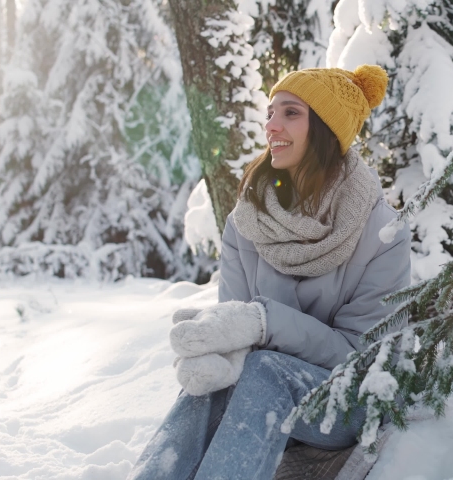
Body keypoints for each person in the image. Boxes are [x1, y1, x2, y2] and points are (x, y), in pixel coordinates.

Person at [128, 64, 411, 480]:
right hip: (264, 396)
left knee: (265, 370)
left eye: (291, 113)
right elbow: (235, 331)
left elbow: (360, 358)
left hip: (352, 400)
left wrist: (264, 324)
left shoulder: (383, 232)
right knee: (216, 384)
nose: (271, 126)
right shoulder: (248, 222)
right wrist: (215, 352)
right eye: (270, 112)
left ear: (327, 131)